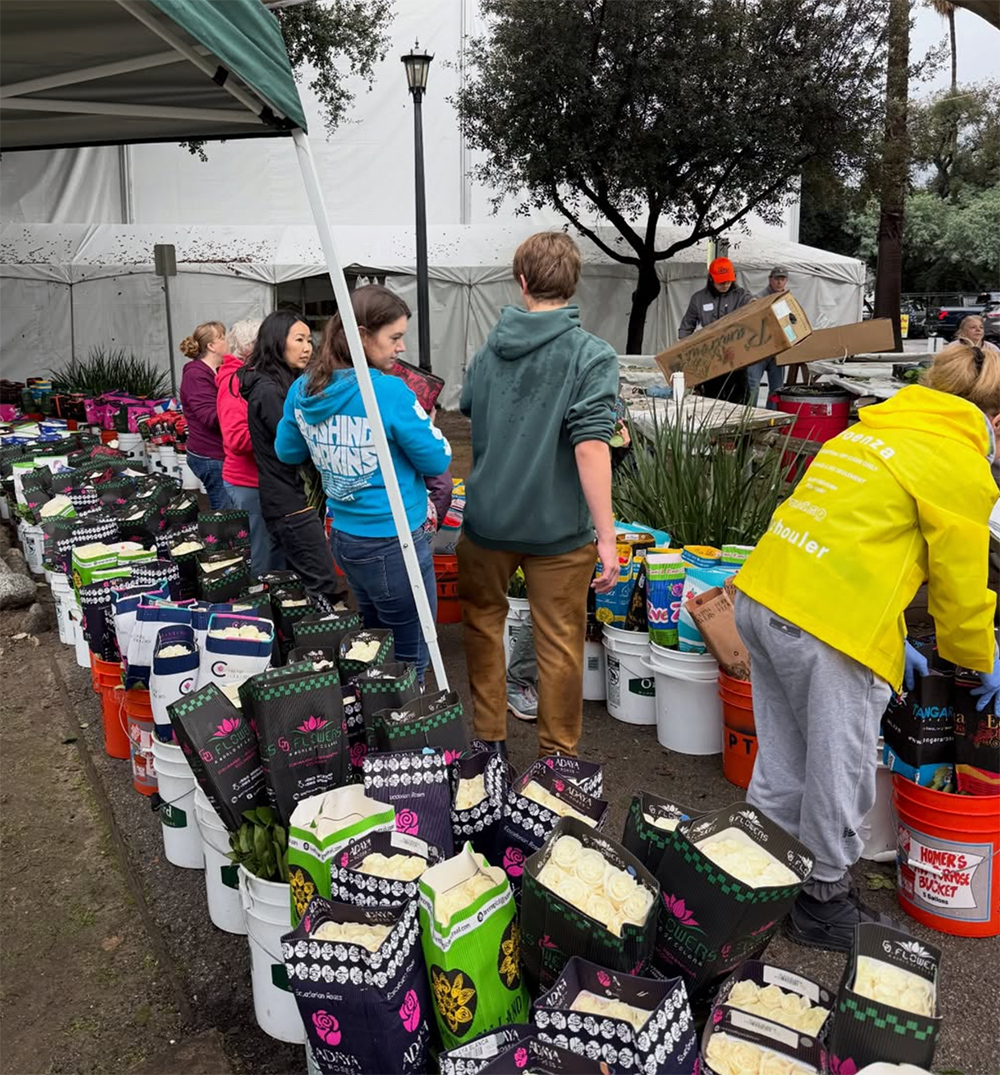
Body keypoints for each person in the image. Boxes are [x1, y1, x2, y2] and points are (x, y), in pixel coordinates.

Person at [733, 341, 1000, 951]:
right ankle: (822, 901)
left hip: (764, 596)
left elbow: (864, 541)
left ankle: (757, 879)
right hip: (826, 629)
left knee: (784, 758)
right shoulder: (960, 461)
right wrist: (979, 658)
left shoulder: (864, 433)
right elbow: (959, 591)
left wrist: (894, 635)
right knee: (840, 767)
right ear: (994, 420)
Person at [458, 231, 619, 760]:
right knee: (558, 644)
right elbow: (591, 446)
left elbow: (469, 408)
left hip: (487, 522)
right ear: (574, 285)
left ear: (521, 281)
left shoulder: (486, 353)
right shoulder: (590, 355)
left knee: (483, 629)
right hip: (558, 531)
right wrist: (608, 536)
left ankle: (489, 745)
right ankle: (557, 760)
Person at [274, 286, 452, 680]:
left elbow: (287, 452)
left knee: (375, 641)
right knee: (411, 652)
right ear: (361, 334)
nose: (402, 347)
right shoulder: (386, 391)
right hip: (395, 539)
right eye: (394, 337)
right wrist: (427, 425)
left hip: (345, 535)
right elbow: (437, 458)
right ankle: (412, 726)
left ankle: (378, 722)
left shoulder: (302, 389)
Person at [240, 311, 345, 610]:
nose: (307, 347)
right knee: (321, 578)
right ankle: (322, 633)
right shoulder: (270, 391)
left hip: (292, 498)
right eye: (298, 340)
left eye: (309, 340)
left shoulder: (285, 383)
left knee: (299, 577)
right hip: (289, 501)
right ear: (276, 342)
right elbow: (297, 445)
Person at [216, 318, 284, 576]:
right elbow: (236, 438)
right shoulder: (234, 382)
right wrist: (279, 439)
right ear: (250, 348)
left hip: (261, 479)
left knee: (271, 547)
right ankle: (262, 604)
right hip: (247, 481)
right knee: (261, 552)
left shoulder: (254, 379)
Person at [677, 257, 754, 403]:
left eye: (728, 281)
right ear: (711, 279)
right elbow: (687, 326)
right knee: (712, 399)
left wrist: (755, 304)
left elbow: (752, 304)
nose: (725, 285)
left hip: (736, 357)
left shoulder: (741, 295)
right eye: (721, 281)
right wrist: (685, 352)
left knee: (739, 399)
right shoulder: (699, 299)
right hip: (711, 357)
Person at [178, 321, 231, 509]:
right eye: (222, 337)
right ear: (211, 346)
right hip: (210, 456)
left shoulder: (214, 371)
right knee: (226, 512)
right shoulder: (196, 375)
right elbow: (211, 417)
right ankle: (223, 539)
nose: (227, 341)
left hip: (217, 452)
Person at [745, 267, 789, 409]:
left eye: (782, 279)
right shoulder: (758, 298)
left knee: (777, 388)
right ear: (770, 279)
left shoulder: (788, 299)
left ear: (786, 281)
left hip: (778, 348)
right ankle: (749, 418)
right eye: (776, 279)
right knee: (753, 385)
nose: (779, 282)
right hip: (759, 347)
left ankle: (772, 419)